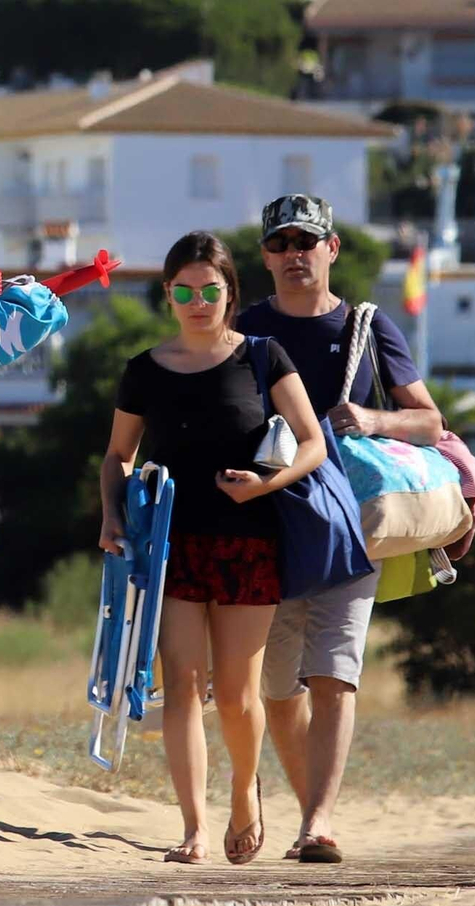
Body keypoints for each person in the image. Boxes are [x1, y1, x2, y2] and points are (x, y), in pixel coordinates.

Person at [101, 231, 326, 865]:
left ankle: (243, 794)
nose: (197, 302)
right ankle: (194, 828)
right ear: (167, 294)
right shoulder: (144, 369)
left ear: (230, 293)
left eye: (210, 290)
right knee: (182, 687)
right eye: (184, 291)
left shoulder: (262, 356)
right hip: (169, 547)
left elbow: (311, 442)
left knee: (236, 695)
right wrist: (112, 516)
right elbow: (118, 456)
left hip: (249, 542)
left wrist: (265, 485)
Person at [235, 195, 444, 863]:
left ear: (333, 249)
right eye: (281, 243)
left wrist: (374, 419)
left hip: (348, 526)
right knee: (275, 689)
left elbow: (429, 422)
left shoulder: (365, 325)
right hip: (264, 527)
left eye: (308, 241)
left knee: (334, 673)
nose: (295, 253)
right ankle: (303, 804)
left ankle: (318, 821)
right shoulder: (243, 329)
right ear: (266, 255)